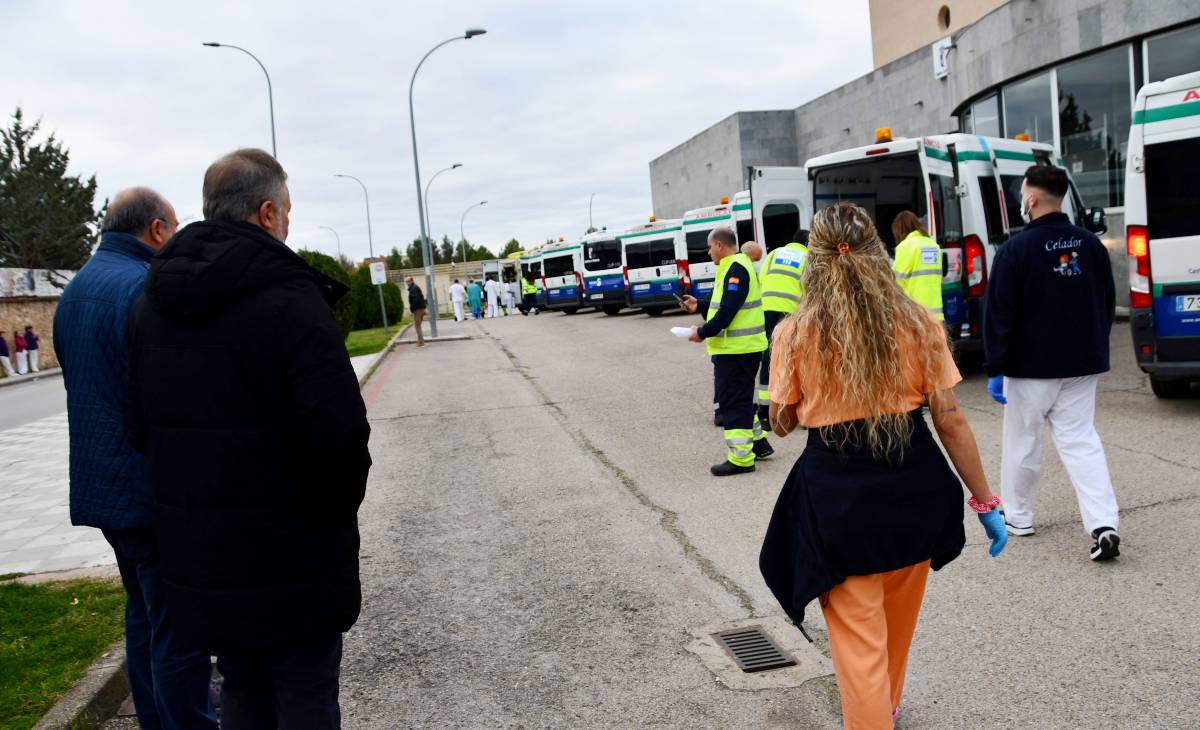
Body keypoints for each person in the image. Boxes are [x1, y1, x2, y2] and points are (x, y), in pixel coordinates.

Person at [126, 149, 372, 728]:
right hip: (296, 553)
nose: (288, 223)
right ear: (266, 214)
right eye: (286, 211)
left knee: (240, 688)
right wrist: (331, 520)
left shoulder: (151, 305)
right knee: (305, 693)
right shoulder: (293, 300)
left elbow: (139, 430)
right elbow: (341, 438)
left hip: (206, 557)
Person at [760, 202, 1006, 729]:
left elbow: (781, 424)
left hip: (840, 502)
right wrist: (986, 501)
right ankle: (885, 712)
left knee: (859, 647)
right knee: (896, 629)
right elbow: (951, 421)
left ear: (816, 259)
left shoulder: (795, 332)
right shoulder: (918, 322)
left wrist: (792, 398)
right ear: (876, 250)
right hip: (916, 491)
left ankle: (874, 719)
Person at [54, 187, 218, 729]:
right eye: (172, 227)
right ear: (155, 229)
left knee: (143, 614)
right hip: (147, 486)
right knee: (177, 626)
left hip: (103, 485)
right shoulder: (141, 287)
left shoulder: (76, 290)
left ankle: (154, 719)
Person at [983, 164, 1121, 561]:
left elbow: (1000, 314)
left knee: (1023, 440)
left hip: (1030, 368)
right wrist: (1095, 344)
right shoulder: (1090, 245)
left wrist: (996, 367)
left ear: (1031, 198)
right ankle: (1103, 524)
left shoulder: (1015, 251)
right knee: (1081, 440)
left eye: (1022, 193)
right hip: (1082, 363)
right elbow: (1106, 301)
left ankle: (1020, 517)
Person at [680, 226, 773, 475]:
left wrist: (701, 332)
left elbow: (728, 312)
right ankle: (758, 443)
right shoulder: (735, 266)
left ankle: (741, 459)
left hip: (737, 350)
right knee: (740, 398)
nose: (709, 252)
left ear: (720, 245)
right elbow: (725, 304)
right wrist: (698, 304)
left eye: (710, 247)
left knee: (732, 403)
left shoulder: (736, 269)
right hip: (739, 349)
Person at [756, 229, 809, 425]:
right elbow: (809, 287)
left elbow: (762, 278)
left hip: (767, 307)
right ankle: (796, 406)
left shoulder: (774, 253)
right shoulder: (807, 257)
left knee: (768, 356)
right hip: (791, 312)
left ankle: (764, 410)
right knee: (794, 356)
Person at [891, 211, 944, 321]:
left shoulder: (904, 247)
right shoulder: (934, 246)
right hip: (936, 315)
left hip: (915, 315)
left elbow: (896, 282)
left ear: (900, 230)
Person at [405, 276, 428, 347]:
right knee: (418, 325)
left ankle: (421, 342)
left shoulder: (414, 288)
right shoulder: (413, 287)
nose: (407, 283)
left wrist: (412, 308)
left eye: (408, 281)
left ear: (412, 281)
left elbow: (416, 300)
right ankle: (420, 341)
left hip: (418, 309)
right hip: (420, 308)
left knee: (417, 326)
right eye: (406, 281)